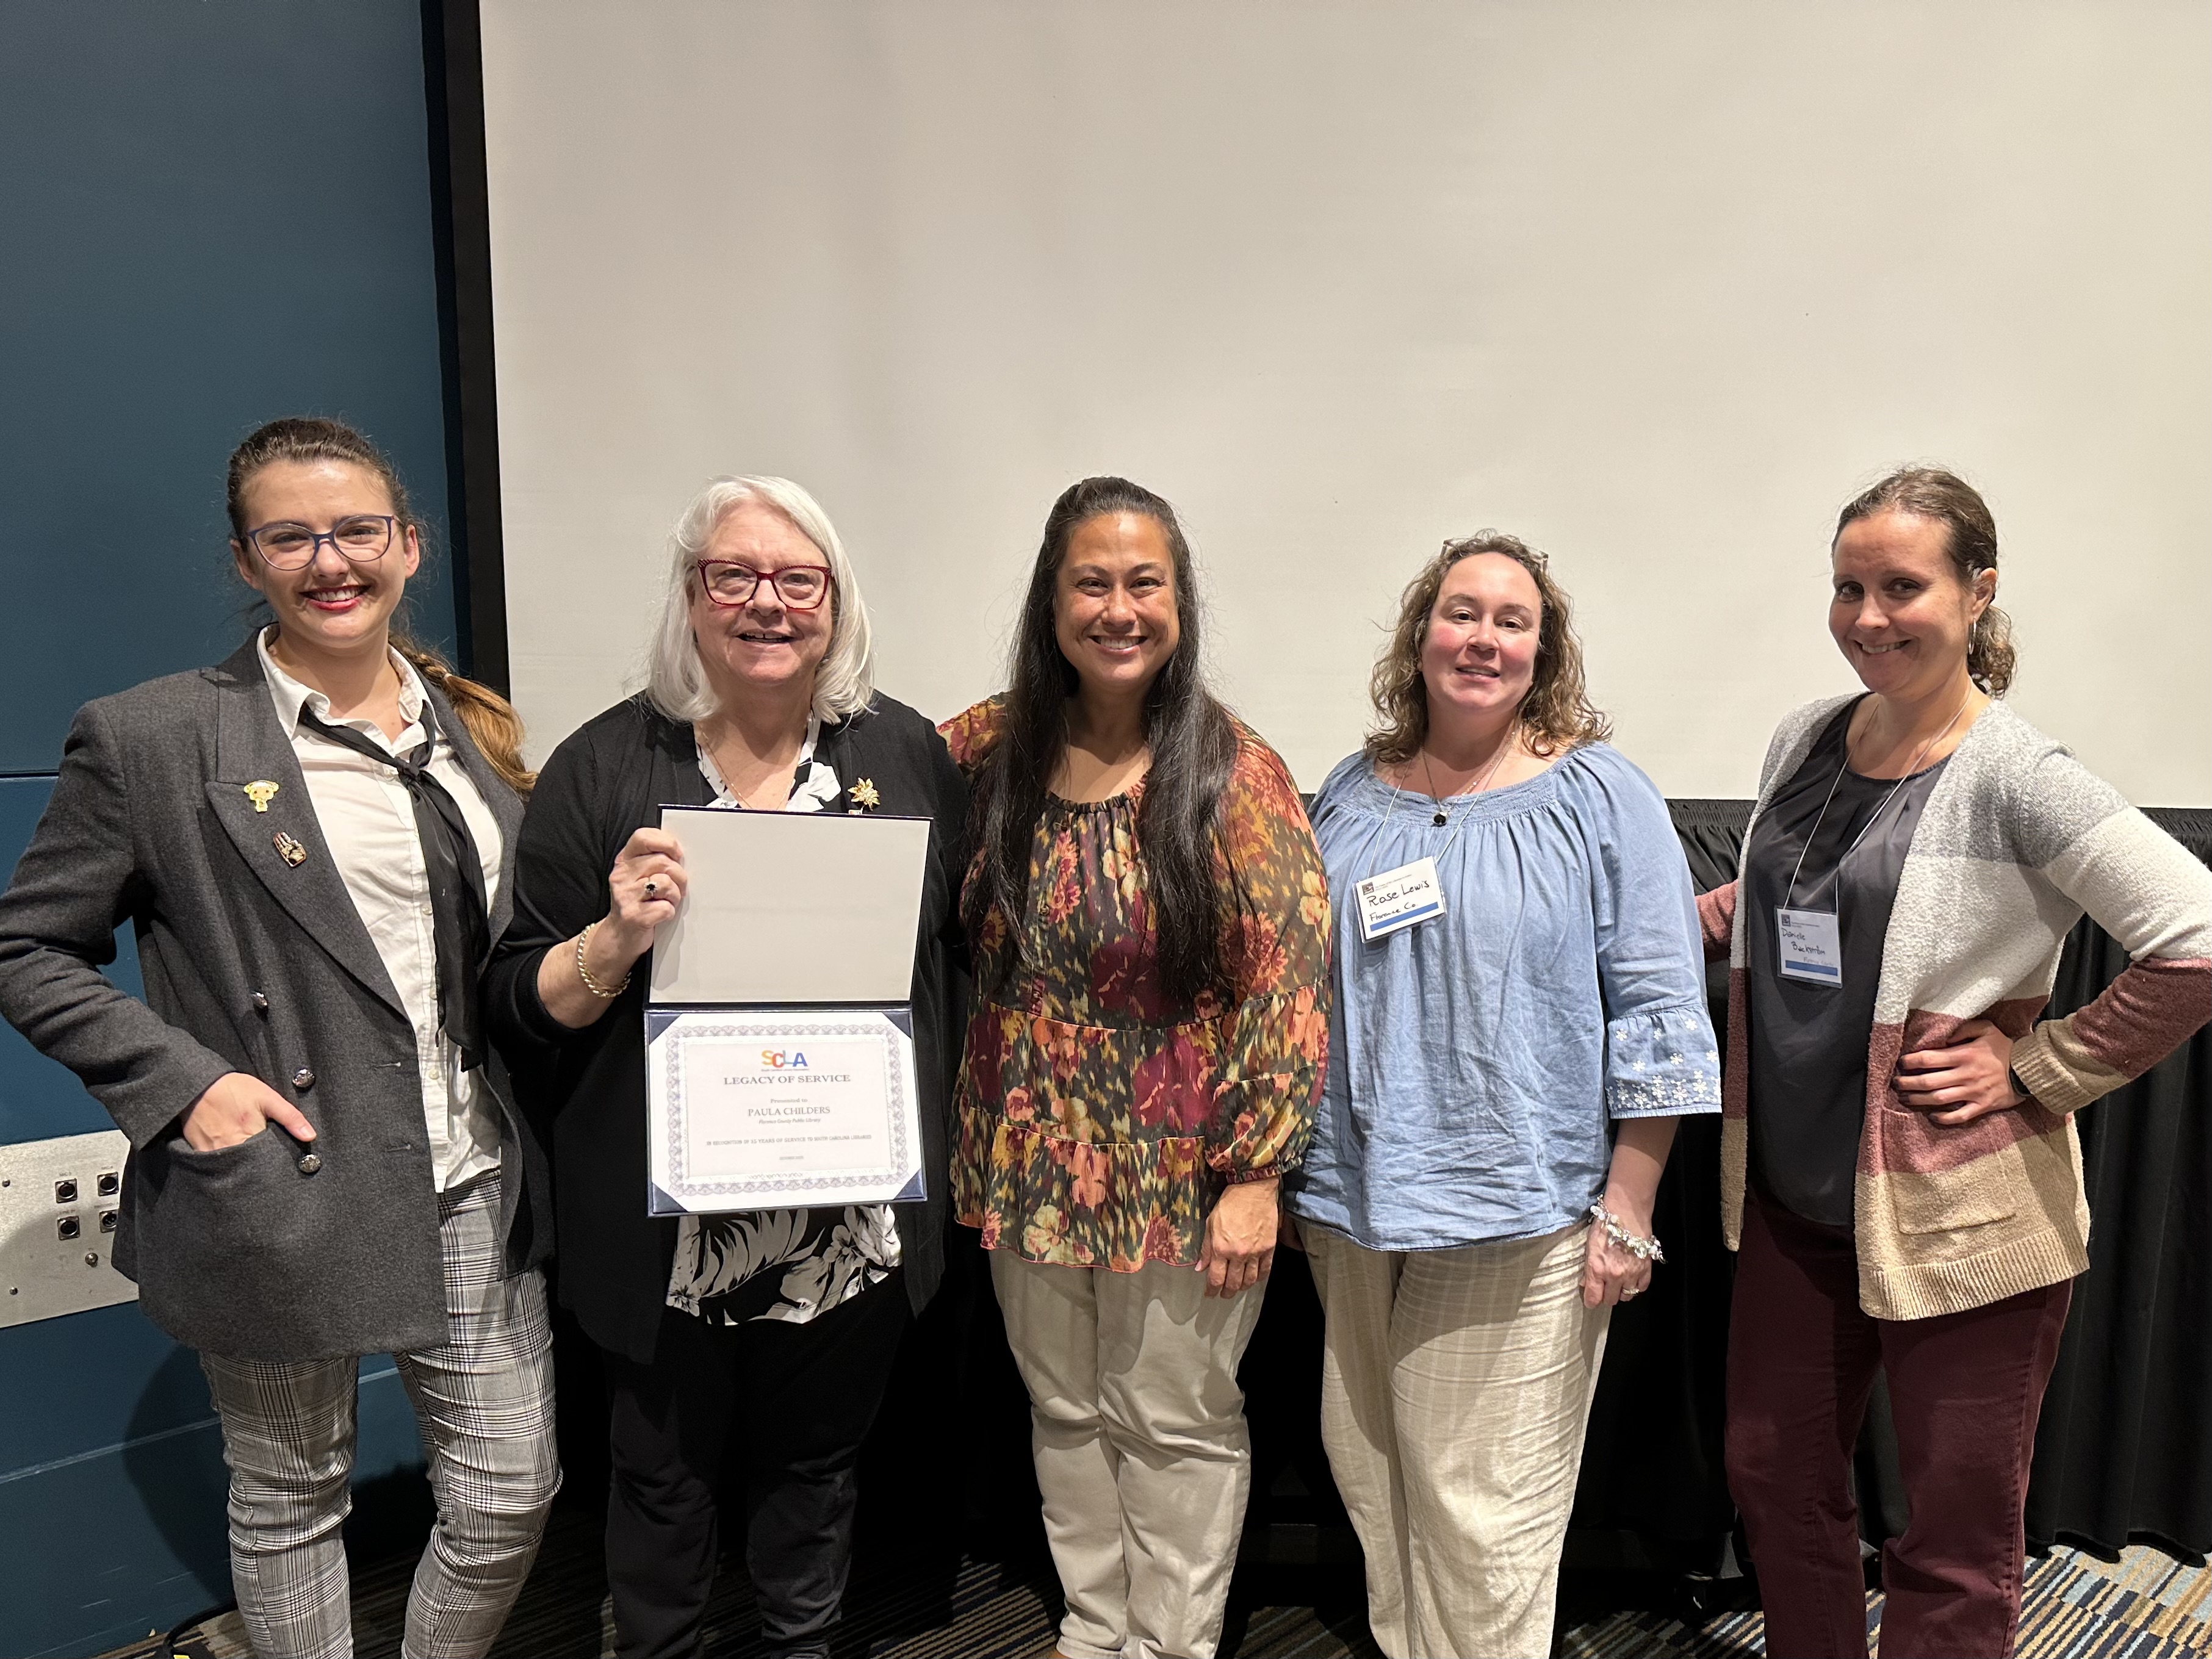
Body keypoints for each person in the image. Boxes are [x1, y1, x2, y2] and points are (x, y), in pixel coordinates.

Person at [0, 416, 558, 1659]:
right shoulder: (154, 738)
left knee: (510, 1492)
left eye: (357, 529)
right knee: (295, 1496)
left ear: (408, 545)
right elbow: (25, 947)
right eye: (289, 537)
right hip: (278, 1177)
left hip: (468, 1165)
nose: (329, 560)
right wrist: (183, 1084)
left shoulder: (472, 733)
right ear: (247, 561)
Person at [1703, 467, 2212, 1657]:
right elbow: (1804, 899)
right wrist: (1710, 915)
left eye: (1901, 587)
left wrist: (2036, 1066)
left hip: (1961, 1206)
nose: (1868, 616)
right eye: (1847, 587)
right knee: (1774, 1476)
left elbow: (2197, 941)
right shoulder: (1806, 736)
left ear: (1977, 593)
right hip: (1792, 1192)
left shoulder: (2016, 775)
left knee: (1953, 1531)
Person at [481, 476, 968, 1659]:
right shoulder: (604, 766)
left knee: (817, 1474)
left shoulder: (900, 751)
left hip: (844, 1213)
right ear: (691, 598)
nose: (767, 603)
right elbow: (511, 995)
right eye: (733, 576)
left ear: (834, 600)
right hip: (664, 1228)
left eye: (797, 579)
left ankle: (803, 1645)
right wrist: (611, 944)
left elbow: (953, 951)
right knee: (659, 1487)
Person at [1283, 532, 1720, 1659]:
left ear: (1544, 648)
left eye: (1510, 620)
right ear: (1418, 634)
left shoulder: (1597, 794)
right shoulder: (1348, 792)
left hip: (1523, 1208)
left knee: (1487, 1517)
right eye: (1460, 612)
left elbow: (1661, 1007)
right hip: (1353, 1206)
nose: (1481, 638)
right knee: (1376, 1483)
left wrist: (1628, 1208)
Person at [941, 475, 1330, 1659]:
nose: (1119, 608)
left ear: (1179, 601)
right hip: (1021, 1154)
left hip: (1180, 1167)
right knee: (1062, 1412)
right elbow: (854, 778)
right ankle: (1093, 1628)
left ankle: (1170, 1642)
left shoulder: (1231, 772)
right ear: (1051, 601)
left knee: (1170, 1420)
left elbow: (1289, 980)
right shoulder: (991, 745)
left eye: (1143, 582)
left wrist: (1256, 1173)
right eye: (1091, 582)